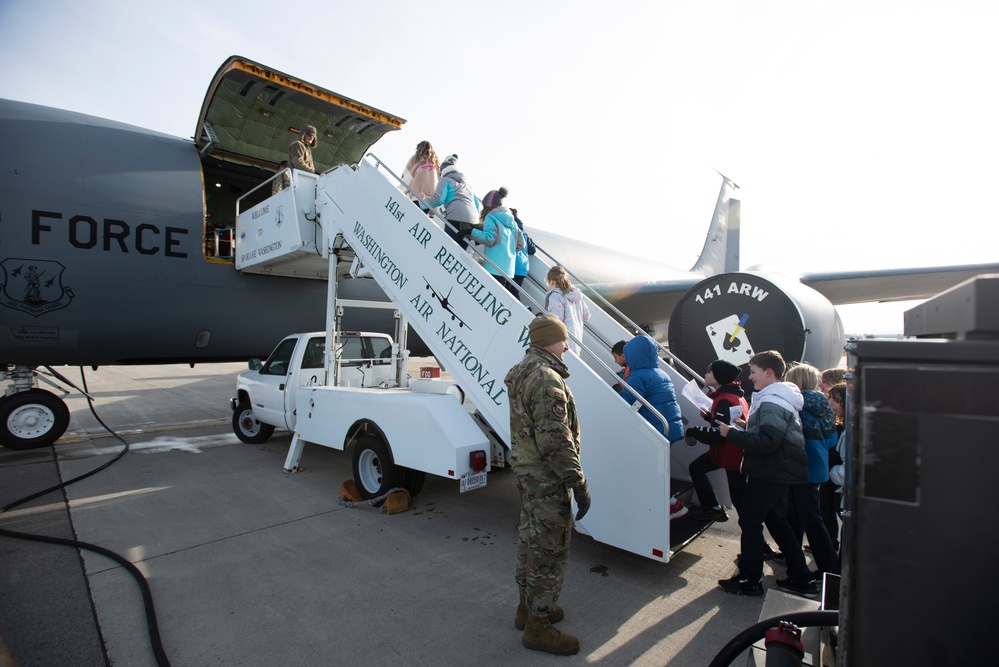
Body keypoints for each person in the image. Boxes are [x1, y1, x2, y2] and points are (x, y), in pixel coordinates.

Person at [504, 314, 589, 656]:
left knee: (530, 540)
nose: (567, 345)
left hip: (528, 474)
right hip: (546, 477)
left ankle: (527, 608)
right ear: (547, 341)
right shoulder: (545, 378)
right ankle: (539, 626)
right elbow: (555, 440)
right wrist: (578, 483)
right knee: (549, 551)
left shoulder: (524, 370)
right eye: (563, 339)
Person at [717, 350, 815, 597]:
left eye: (753, 372)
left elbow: (767, 442)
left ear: (768, 372)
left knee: (750, 521)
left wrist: (733, 434)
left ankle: (750, 579)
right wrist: (746, 428)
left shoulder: (772, 401)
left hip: (770, 471)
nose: (750, 378)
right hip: (779, 470)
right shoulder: (780, 398)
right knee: (777, 521)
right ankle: (801, 577)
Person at [615, 335, 688, 519]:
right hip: (669, 429)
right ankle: (670, 504)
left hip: (655, 432)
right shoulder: (660, 373)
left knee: (650, 473)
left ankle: (671, 505)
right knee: (658, 470)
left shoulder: (638, 376)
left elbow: (629, 400)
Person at [781, 363, 841, 576]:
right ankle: (793, 554)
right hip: (818, 466)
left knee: (806, 518)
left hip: (800, 467)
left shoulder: (796, 406)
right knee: (802, 515)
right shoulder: (824, 405)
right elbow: (833, 439)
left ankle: (828, 566)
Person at [686, 360, 750, 522]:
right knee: (696, 468)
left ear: (719, 377)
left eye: (709, 372)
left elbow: (718, 433)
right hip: (727, 452)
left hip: (731, 455)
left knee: (740, 500)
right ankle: (713, 508)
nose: (706, 375)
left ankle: (757, 540)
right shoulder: (735, 396)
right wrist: (709, 417)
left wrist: (694, 431)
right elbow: (728, 422)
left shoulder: (723, 399)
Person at [423, 154, 480, 250]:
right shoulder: (467, 185)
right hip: (471, 223)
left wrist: (422, 203)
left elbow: (438, 199)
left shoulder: (445, 180)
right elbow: (477, 205)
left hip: (456, 218)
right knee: (458, 254)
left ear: (443, 170)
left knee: (446, 249)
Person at [471, 188, 519, 294]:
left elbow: (489, 239)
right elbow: (521, 244)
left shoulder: (491, 217)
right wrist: (509, 253)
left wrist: (471, 232)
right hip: (509, 269)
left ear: (487, 206)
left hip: (494, 267)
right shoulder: (513, 222)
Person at [823, 381, 848, 552]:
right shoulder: (841, 427)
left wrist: (832, 473)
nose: (831, 403)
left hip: (839, 485)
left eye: (836, 400)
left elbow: (849, 469)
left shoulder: (850, 431)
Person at [544, 266, 590, 354]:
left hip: (562, 343)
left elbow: (555, 320)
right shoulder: (576, 295)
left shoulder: (555, 296)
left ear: (552, 281)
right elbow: (586, 317)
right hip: (576, 340)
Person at [510, 208, 536, 291]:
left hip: (512, 265)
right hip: (523, 268)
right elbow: (532, 250)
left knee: (507, 292)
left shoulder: (509, 229)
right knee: (514, 293)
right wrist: (531, 241)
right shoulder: (524, 233)